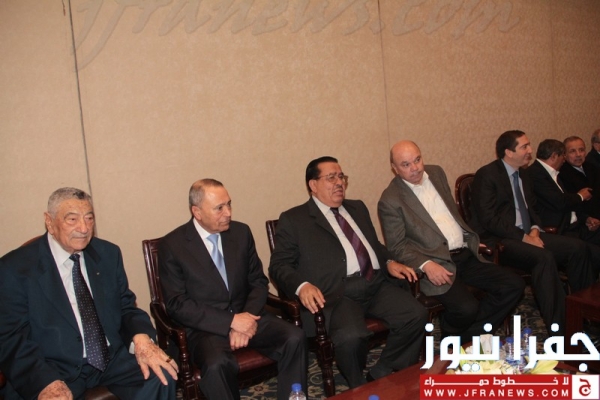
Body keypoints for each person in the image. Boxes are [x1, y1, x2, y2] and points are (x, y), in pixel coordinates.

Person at [0, 187, 177, 400]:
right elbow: (11, 339)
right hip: (53, 367)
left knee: (162, 375)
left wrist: (141, 338)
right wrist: (44, 381)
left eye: (89, 218)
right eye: (72, 219)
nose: (83, 228)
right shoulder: (15, 268)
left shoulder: (108, 254)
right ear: (49, 221)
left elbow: (125, 307)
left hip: (109, 358)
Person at [269, 156, 427, 388]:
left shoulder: (357, 207)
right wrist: (302, 286)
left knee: (416, 314)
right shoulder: (294, 219)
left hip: (375, 283)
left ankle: (384, 369)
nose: (339, 183)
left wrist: (388, 261)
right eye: (331, 177)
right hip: (338, 294)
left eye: (341, 177)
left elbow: (373, 245)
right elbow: (279, 265)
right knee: (351, 338)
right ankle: (357, 385)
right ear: (313, 185)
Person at [158, 179, 306, 400]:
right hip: (205, 328)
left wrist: (245, 319)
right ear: (197, 212)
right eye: (219, 208)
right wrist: (230, 322)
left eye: (229, 204)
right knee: (217, 364)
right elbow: (177, 304)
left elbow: (258, 281)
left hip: (248, 313)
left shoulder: (241, 232)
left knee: (294, 337)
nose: (228, 213)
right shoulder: (173, 245)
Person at [378, 141, 524, 344]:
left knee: (513, 285)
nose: (415, 168)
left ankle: (464, 337)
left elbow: (449, 216)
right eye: (406, 164)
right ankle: (459, 336)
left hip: (464, 253)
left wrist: (468, 239)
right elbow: (397, 246)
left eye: (417, 160)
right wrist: (426, 265)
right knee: (466, 308)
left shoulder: (436, 173)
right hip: (435, 264)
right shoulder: (390, 200)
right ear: (394, 168)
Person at [469, 131, 595, 335]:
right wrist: (524, 237)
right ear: (509, 152)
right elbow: (489, 220)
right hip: (501, 239)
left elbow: (533, 209)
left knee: (577, 248)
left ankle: (585, 315)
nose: (530, 150)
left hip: (528, 234)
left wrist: (535, 230)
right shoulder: (487, 175)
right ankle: (563, 332)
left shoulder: (524, 174)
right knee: (543, 257)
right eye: (524, 147)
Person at [525, 139, 600, 245]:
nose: (564, 160)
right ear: (554, 156)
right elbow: (559, 202)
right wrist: (580, 196)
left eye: (581, 150)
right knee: (587, 249)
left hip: (575, 224)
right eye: (563, 156)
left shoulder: (553, 173)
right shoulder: (535, 174)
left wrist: (586, 219)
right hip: (560, 230)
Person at [559, 136, 600, 220]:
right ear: (564, 155)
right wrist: (587, 218)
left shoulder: (591, 167)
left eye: (581, 150)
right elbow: (569, 204)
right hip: (580, 220)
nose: (578, 154)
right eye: (572, 151)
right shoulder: (561, 173)